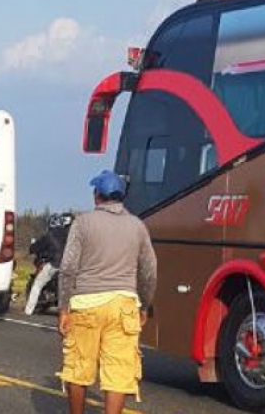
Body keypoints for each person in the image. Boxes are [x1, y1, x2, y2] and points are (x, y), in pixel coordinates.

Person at [58, 170, 157, 414]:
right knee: (118, 372)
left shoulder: (82, 223)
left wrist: (63, 308)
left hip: (86, 303)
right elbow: (149, 271)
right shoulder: (137, 226)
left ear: (97, 196)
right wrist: (143, 305)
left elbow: (68, 268)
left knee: (78, 368)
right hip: (123, 304)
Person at [24, 211, 73, 315]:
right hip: (69, 265)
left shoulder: (48, 235)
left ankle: (28, 310)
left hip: (55, 264)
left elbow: (36, 247)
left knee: (37, 285)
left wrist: (32, 248)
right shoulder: (69, 235)